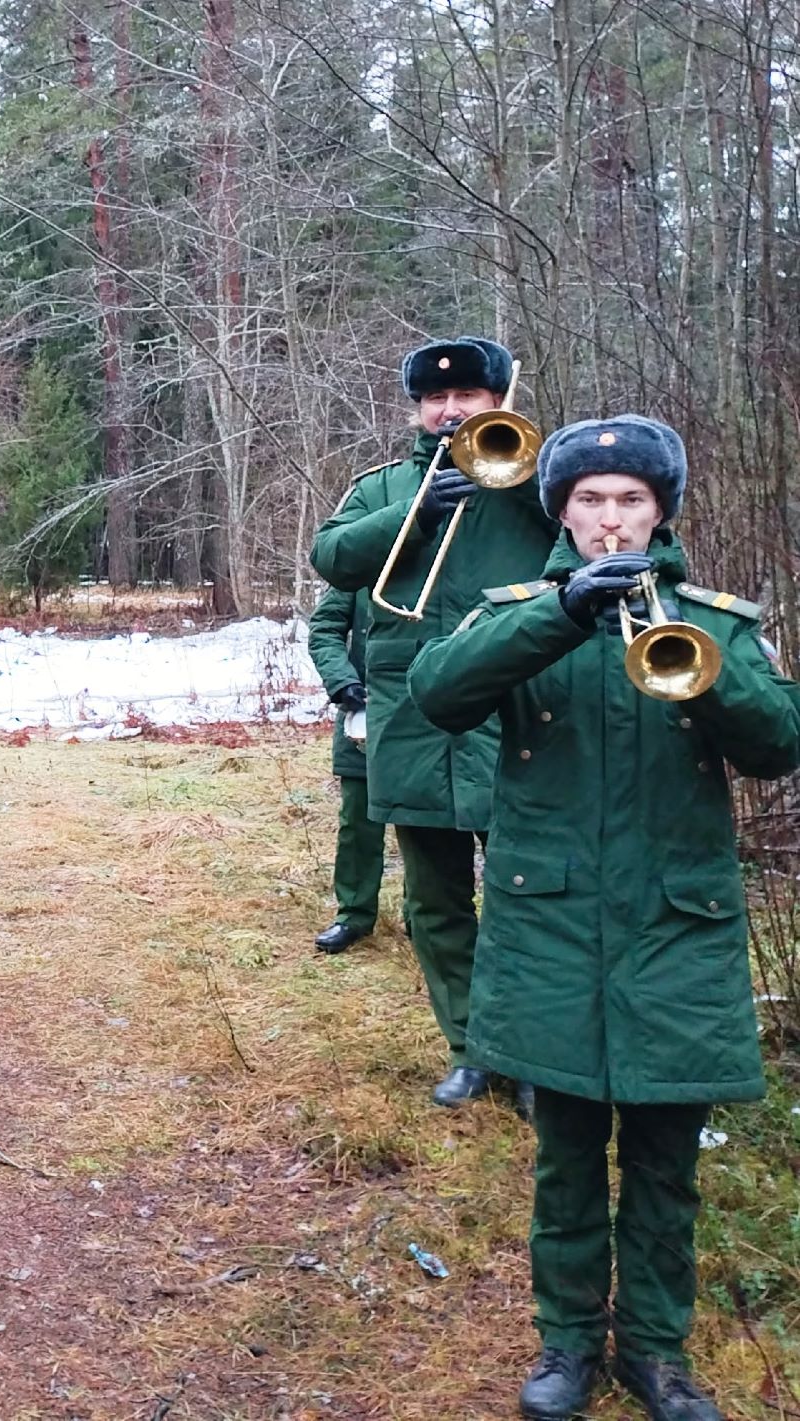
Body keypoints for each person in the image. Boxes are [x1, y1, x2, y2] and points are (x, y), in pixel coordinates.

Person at [410, 416, 800, 1421]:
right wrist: (559, 615)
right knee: (567, 1154)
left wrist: (701, 667)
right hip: (551, 925)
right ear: (560, 511)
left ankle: (658, 1353)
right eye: (589, 499)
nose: (609, 518)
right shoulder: (517, 611)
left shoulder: (712, 617)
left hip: (678, 922)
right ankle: (568, 1343)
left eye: (630, 499)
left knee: (666, 1161)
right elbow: (436, 693)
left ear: (660, 509)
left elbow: (777, 743)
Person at [310, 337, 556, 1107]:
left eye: (469, 397)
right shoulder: (384, 487)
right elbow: (332, 557)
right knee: (433, 901)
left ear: (498, 400)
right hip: (412, 720)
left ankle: (534, 1058)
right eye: (435, 400)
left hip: (517, 718)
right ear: (418, 408)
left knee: (530, 894)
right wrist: (415, 516)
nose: (450, 410)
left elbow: (593, 551)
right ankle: (472, 1048)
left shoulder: (543, 483)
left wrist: (511, 485)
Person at [306, 585, 388, 953]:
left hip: (430, 712)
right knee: (358, 821)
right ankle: (353, 914)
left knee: (427, 825)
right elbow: (324, 627)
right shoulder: (363, 557)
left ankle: (427, 918)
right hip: (364, 716)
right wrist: (342, 681)